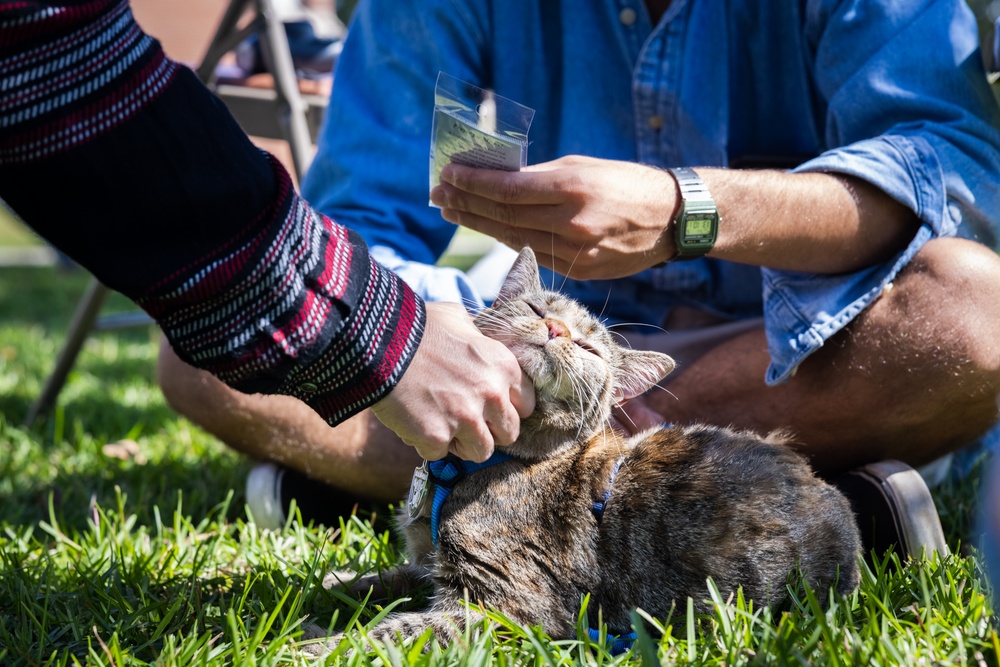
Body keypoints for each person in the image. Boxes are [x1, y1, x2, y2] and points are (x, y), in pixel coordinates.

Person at [157, 0, 1000, 544]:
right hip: (535, 360)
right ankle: (770, 504)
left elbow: (954, 172)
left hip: (788, 354)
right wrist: (422, 348)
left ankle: (454, 492)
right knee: (230, 327)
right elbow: (360, 229)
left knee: (977, 315)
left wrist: (686, 213)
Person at [0, 0, 535, 474]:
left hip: (580, 361)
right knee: (198, 373)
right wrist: (392, 336)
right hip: (493, 349)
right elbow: (60, 72)